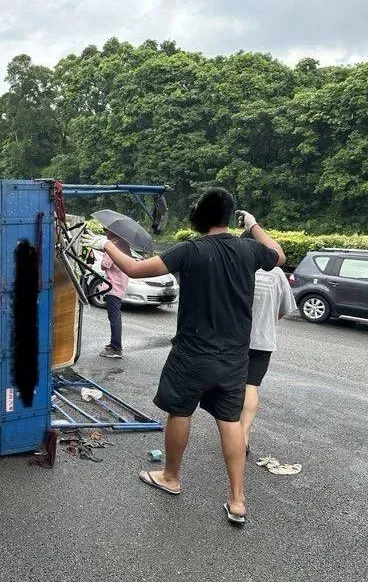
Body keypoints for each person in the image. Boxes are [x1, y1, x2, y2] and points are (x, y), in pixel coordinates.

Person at [102, 188, 285, 526]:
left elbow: (136, 269)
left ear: (201, 216)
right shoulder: (249, 249)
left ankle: (171, 478)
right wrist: (255, 225)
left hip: (191, 353)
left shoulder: (191, 250)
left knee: (180, 411)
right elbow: (279, 255)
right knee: (230, 422)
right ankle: (238, 500)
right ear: (229, 217)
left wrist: (108, 244)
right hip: (233, 358)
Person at [240, 235, 298, 454]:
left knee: (234, 388)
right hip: (264, 340)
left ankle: (233, 432)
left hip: (237, 340)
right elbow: (283, 309)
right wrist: (268, 321)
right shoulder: (277, 274)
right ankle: (244, 435)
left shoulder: (241, 268)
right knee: (251, 386)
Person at [82, 230, 130, 358]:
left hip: (113, 287)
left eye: (106, 230)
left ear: (113, 232)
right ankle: (114, 344)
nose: (104, 232)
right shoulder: (124, 245)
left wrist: (105, 250)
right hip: (119, 286)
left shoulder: (114, 246)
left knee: (114, 318)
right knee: (115, 317)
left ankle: (116, 348)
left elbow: (105, 265)